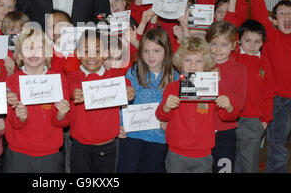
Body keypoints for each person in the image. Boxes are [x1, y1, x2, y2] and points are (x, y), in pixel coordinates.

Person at [155, 37, 235, 173]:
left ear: (206, 63)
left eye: (199, 61)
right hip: (176, 152)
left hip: (203, 153)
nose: (193, 65)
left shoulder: (212, 87)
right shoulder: (173, 87)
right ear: (180, 62)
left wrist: (229, 107)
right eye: (188, 60)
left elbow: (228, 117)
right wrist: (166, 107)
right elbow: (161, 115)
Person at [250, 0, 291, 173]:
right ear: (275, 20)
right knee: (251, 141)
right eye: (282, 14)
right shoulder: (270, 36)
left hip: (284, 102)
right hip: (262, 97)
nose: (287, 17)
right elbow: (259, 12)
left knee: (278, 145)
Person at [3, 26, 71, 173]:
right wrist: (20, 117)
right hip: (18, 153)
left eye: (39, 48)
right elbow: (11, 120)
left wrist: (61, 114)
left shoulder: (58, 79)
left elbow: (63, 122)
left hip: (50, 152)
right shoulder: (12, 81)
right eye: (28, 48)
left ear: (47, 53)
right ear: (19, 55)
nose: (33, 53)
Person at [67, 30, 135, 173]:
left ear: (105, 54)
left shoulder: (115, 76)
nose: (92, 56)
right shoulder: (73, 76)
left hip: (108, 146)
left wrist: (129, 91)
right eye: (86, 51)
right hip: (80, 146)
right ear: (77, 54)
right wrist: (76, 92)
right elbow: (73, 88)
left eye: (97, 51)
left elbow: (127, 87)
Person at [117, 29, 179, 173]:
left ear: (167, 51)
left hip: (160, 138)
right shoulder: (133, 72)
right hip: (132, 135)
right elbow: (122, 103)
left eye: (156, 51)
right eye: (146, 51)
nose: (150, 56)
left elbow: (179, 108)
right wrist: (119, 125)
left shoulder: (175, 77)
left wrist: (171, 123)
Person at [205, 21, 246, 173]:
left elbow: (238, 104)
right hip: (201, 130)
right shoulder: (199, 64)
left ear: (234, 45)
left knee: (224, 168)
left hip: (225, 131)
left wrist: (219, 83)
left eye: (224, 45)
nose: (218, 49)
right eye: (213, 43)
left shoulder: (239, 70)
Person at [234, 19, 274, 173]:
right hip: (231, 117)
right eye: (248, 41)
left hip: (254, 120)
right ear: (239, 40)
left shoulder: (264, 63)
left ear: (262, 43)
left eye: (257, 42)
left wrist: (265, 118)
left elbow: (268, 93)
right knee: (228, 157)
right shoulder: (234, 58)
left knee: (249, 161)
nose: (252, 46)